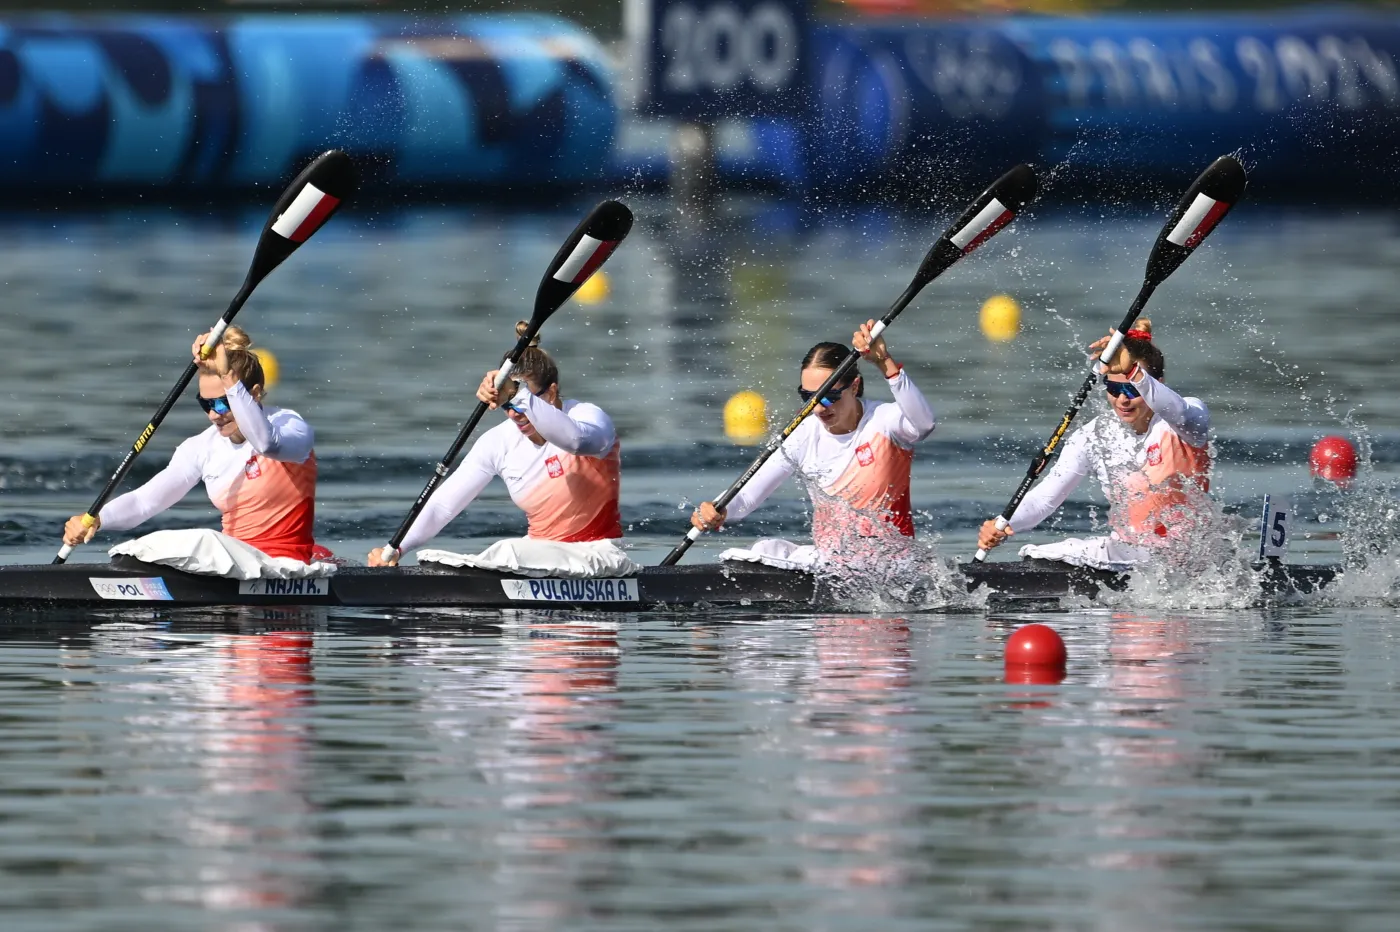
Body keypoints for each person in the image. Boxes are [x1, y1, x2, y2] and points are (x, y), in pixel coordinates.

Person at [370, 323, 621, 565]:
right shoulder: (497, 442)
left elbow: (577, 441)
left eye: (520, 402)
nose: (513, 414)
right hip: (538, 556)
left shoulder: (587, 417)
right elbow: (442, 505)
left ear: (552, 393)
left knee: (507, 551)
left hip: (598, 555)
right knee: (463, 556)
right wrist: (396, 549)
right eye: (506, 405)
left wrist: (515, 395)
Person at [689, 320, 936, 564]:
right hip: (830, 566)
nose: (817, 408)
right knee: (762, 549)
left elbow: (924, 424)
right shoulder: (802, 434)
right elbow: (747, 497)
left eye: (829, 396)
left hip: (892, 566)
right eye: (808, 397)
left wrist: (884, 362)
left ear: (855, 386)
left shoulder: (884, 421)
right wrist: (719, 510)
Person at [62, 327, 318, 561]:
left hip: (287, 565)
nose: (213, 415)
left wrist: (228, 376)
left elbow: (266, 444)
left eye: (222, 402)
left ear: (253, 394)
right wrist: (97, 519)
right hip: (233, 563)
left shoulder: (289, 426)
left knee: (203, 539)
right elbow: (145, 502)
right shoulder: (200, 447)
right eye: (205, 404)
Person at [977, 319, 1211, 569]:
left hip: (1185, 556)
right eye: (1113, 387)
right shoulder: (1094, 435)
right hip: (1127, 556)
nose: (1122, 399)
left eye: (1133, 389)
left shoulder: (1186, 420)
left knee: (1041, 554)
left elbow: (1179, 410)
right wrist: (1003, 523)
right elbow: (1044, 499)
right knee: (1040, 556)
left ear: (1158, 383)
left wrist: (1134, 371)